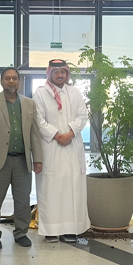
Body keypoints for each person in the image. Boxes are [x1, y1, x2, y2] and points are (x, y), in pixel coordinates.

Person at [0, 67, 43, 250]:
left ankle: (21, 233)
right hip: (0, 160)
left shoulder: (29, 103)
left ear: (19, 81)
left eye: (15, 78)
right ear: (1, 81)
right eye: (8, 78)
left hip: (22, 161)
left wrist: (37, 158)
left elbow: (35, 133)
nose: (11, 81)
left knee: (22, 199)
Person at [33, 59, 90, 243]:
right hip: (51, 147)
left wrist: (70, 133)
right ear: (49, 73)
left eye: (63, 72)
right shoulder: (41, 94)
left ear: (67, 74)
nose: (60, 75)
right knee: (51, 189)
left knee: (72, 187)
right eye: (56, 72)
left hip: (72, 146)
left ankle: (70, 230)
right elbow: (38, 119)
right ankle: (51, 230)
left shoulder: (75, 92)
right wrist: (57, 135)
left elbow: (83, 115)